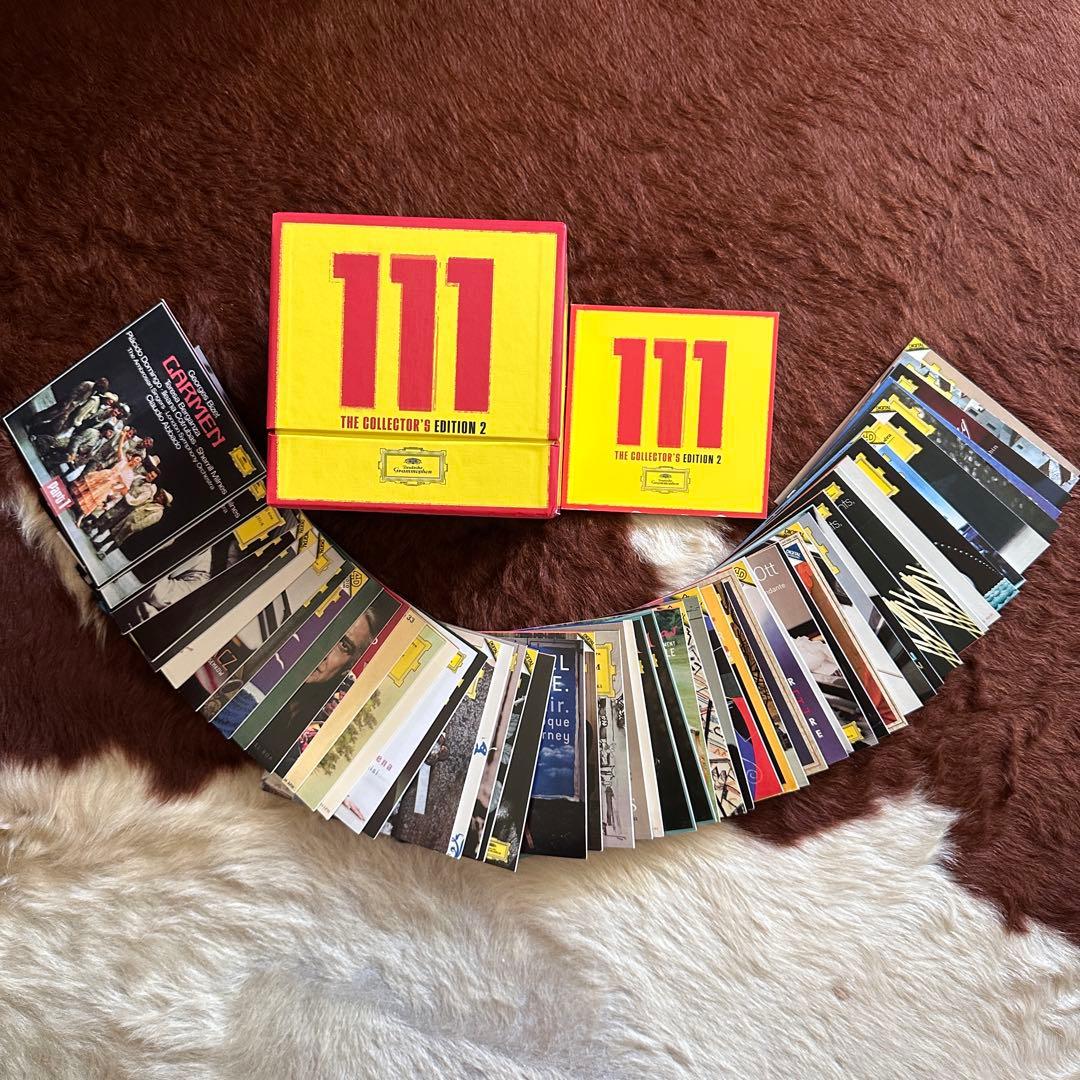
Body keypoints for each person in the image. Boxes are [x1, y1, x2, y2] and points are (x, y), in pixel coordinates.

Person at [95, 489, 172, 556]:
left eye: (162, 496)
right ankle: (101, 544)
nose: (160, 496)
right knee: (114, 531)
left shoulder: (158, 512)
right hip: (128, 518)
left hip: (133, 524)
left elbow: (146, 522)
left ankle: (106, 553)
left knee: (119, 539)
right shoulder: (151, 501)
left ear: (164, 501)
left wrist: (134, 527)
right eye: (161, 494)